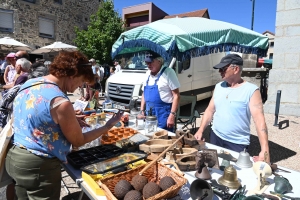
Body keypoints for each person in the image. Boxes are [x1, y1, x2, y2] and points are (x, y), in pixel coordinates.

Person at [5, 51, 122, 199]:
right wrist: (107, 126)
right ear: (72, 74)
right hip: (38, 166)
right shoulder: (60, 101)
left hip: (15, 156)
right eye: (81, 81)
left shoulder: (30, 83)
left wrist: (67, 120)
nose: (79, 86)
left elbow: (35, 117)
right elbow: (78, 141)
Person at [194, 54, 270, 163]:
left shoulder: (251, 90)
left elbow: (259, 121)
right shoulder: (219, 86)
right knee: (213, 168)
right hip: (215, 137)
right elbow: (210, 110)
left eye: (223, 69)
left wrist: (265, 151)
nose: (220, 71)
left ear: (236, 69)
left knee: (233, 175)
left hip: (237, 143)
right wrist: (200, 130)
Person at [140, 52, 180, 132]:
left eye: (151, 62)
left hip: (163, 115)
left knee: (163, 140)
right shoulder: (147, 73)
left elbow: (176, 95)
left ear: (159, 61)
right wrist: (142, 110)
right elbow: (144, 93)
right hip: (149, 115)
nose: (148, 65)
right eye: (147, 62)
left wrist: (172, 115)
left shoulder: (169, 72)